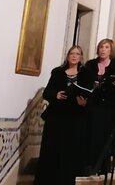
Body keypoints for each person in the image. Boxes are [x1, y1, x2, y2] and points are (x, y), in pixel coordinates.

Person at [35, 46, 88, 185]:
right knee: (52, 149)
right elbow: (46, 93)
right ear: (67, 56)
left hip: (75, 118)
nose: (74, 56)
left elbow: (89, 94)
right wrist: (56, 94)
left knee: (70, 151)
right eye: (72, 53)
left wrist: (84, 103)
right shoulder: (57, 72)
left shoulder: (86, 74)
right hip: (56, 116)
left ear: (81, 57)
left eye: (77, 54)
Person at [83, 38, 115, 174]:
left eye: (106, 47)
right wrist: (92, 86)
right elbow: (83, 82)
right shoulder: (90, 65)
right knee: (91, 135)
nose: (103, 50)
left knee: (105, 137)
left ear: (111, 50)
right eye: (101, 47)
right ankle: (89, 166)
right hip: (92, 105)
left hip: (108, 106)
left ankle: (103, 167)